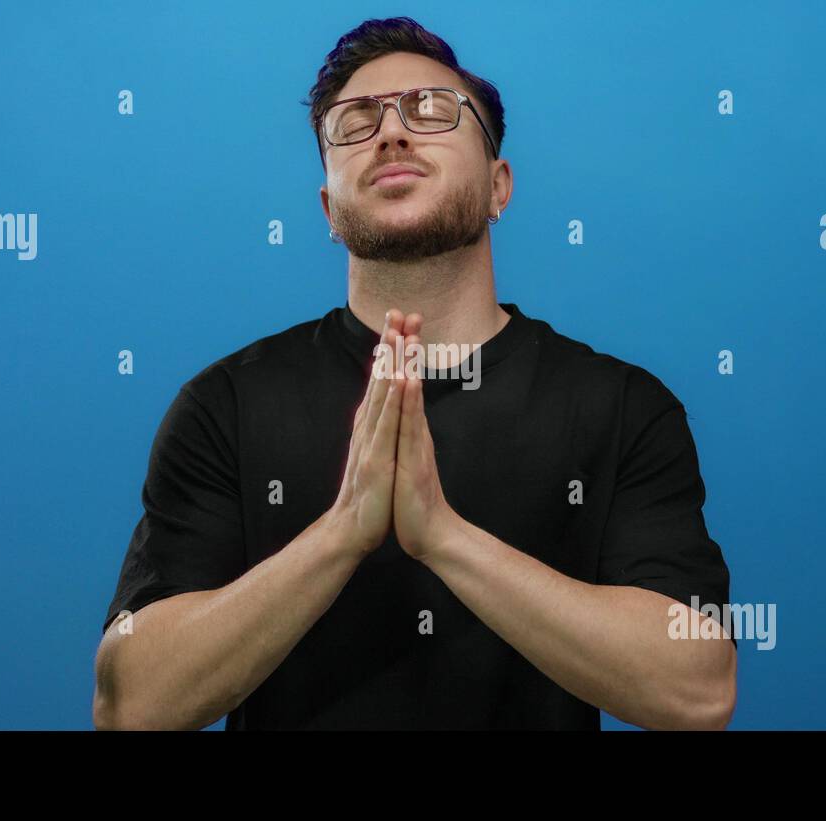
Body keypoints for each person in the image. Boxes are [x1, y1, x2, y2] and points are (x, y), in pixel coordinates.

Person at [93, 16, 735, 730]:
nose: (392, 134)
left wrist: (442, 536)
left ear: (500, 186)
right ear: (329, 210)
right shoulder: (228, 405)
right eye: (356, 122)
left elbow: (698, 687)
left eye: (430, 110)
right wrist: (342, 533)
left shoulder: (619, 406)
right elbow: (130, 703)